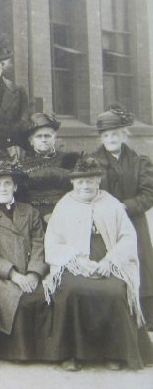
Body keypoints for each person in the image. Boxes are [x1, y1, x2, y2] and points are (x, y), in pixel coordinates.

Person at [43, 155, 153, 371]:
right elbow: (53, 241)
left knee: (114, 292)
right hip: (74, 264)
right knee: (72, 291)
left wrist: (109, 261)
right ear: (73, 182)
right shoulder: (64, 205)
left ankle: (114, 353)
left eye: (90, 181)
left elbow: (127, 238)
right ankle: (72, 354)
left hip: (108, 262)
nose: (85, 185)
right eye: (81, 181)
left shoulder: (111, 204)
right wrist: (76, 262)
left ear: (98, 181)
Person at [0, 159, 50, 362]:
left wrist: (34, 273)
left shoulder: (29, 211)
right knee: (19, 300)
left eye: (8, 183)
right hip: (5, 275)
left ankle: (47, 353)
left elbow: (39, 243)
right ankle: (17, 353)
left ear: (15, 186)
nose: (3, 188)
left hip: (31, 270)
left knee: (45, 296)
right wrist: (15, 275)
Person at [92, 104, 153, 328]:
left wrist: (126, 206)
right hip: (105, 224)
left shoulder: (139, 161)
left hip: (134, 222)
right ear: (101, 138)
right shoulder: (91, 162)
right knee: (110, 264)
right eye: (106, 135)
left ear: (124, 135)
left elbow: (148, 193)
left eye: (115, 134)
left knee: (140, 264)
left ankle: (144, 317)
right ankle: (117, 318)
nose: (111, 139)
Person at [18, 112, 77, 224]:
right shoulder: (23, 163)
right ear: (31, 140)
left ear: (54, 138)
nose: (44, 139)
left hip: (64, 211)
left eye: (47, 136)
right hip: (33, 215)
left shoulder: (69, 160)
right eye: (39, 136)